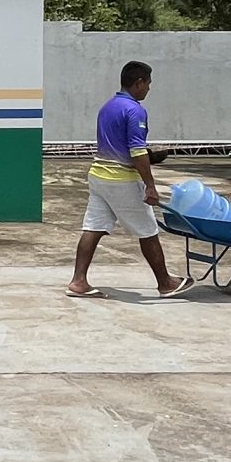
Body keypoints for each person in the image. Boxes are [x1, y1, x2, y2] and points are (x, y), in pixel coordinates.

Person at [68, 59, 184, 298]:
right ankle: (165, 283)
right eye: (149, 83)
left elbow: (117, 143)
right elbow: (137, 151)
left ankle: (79, 281)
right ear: (139, 83)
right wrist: (150, 185)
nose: (149, 89)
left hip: (99, 175)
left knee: (94, 227)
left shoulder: (107, 107)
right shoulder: (134, 110)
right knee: (147, 230)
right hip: (121, 179)